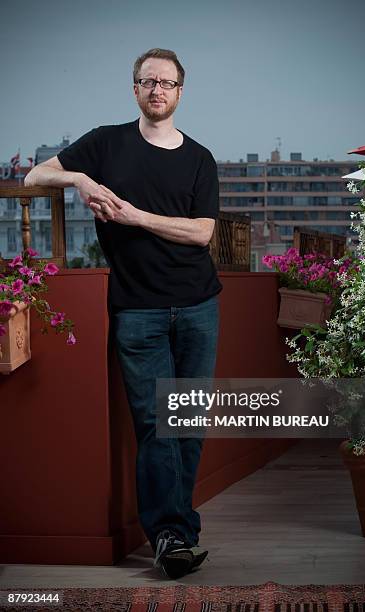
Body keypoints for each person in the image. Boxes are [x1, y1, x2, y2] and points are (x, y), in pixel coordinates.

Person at [24, 48, 222, 579]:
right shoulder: (105, 143)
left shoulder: (199, 158)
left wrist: (133, 216)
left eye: (167, 82)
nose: (157, 89)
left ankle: (180, 529)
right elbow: (33, 179)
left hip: (199, 306)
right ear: (134, 89)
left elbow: (202, 233)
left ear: (181, 91)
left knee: (190, 425)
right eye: (147, 81)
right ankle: (171, 537)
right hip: (138, 310)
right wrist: (80, 181)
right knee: (158, 426)